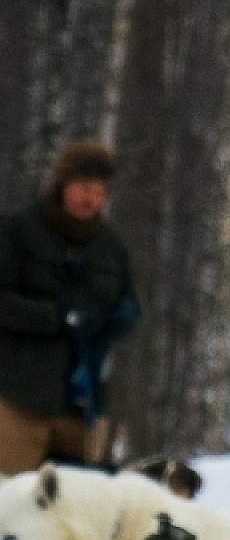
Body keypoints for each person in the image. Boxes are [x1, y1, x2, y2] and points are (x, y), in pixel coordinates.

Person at [0, 138, 141, 475]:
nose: (90, 198)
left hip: (83, 407)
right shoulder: (17, 232)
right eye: (83, 187)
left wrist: (113, 320)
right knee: (8, 502)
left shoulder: (111, 249)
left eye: (99, 191)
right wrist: (58, 318)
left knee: (75, 515)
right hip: (19, 400)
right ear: (63, 185)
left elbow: (129, 305)